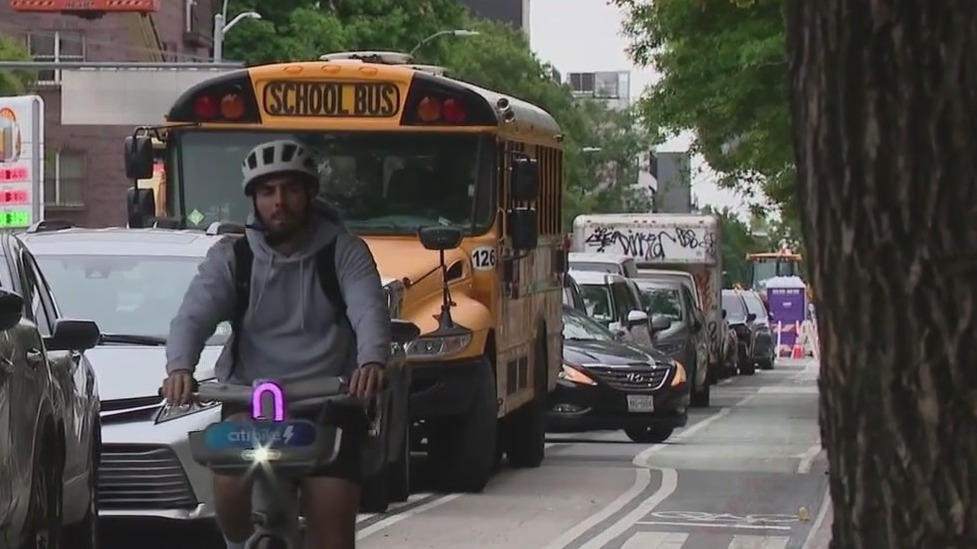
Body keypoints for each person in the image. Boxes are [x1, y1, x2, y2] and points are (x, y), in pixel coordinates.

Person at [161, 139, 391, 549]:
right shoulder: (232, 257)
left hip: (329, 407)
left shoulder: (345, 252)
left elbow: (368, 309)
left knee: (332, 528)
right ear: (253, 200)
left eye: (291, 190)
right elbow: (193, 316)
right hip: (250, 404)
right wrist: (180, 368)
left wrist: (372, 360)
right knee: (229, 487)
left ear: (311, 194)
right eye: (267, 192)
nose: (279, 202)